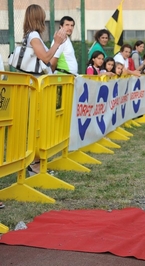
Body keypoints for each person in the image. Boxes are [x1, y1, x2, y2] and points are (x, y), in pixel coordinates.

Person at [23, 4, 66, 176]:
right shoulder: (33, 36)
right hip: (35, 87)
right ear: (38, 18)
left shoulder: (32, 36)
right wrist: (57, 43)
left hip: (37, 86)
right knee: (37, 126)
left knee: (39, 126)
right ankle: (34, 165)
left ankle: (36, 164)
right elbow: (46, 58)